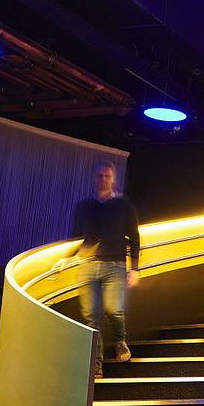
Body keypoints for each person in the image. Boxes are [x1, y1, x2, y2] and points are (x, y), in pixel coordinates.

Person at [64, 160, 140, 378]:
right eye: (100, 176)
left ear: (113, 179)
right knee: (91, 317)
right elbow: (80, 238)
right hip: (88, 265)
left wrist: (134, 268)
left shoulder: (123, 205)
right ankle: (96, 365)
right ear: (95, 178)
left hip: (115, 265)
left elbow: (134, 237)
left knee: (113, 309)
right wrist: (68, 258)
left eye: (107, 176)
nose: (103, 179)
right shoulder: (86, 206)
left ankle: (120, 341)